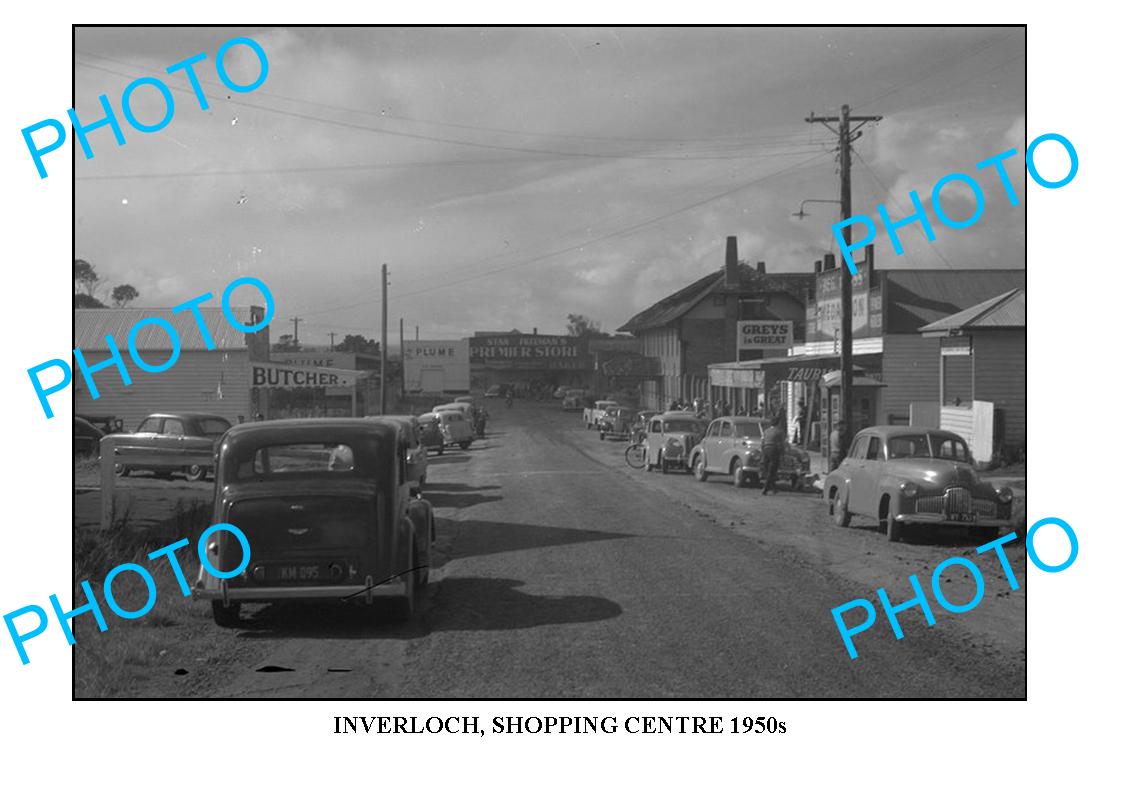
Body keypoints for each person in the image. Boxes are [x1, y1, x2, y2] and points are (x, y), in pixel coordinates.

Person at [761, 415, 786, 495]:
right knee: (772, 471)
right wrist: (782, 454)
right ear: (778, 423)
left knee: (768, 470)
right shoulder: (779, 432)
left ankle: (774, 488)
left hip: (766, 450)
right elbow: (781, 444)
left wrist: (763, 452)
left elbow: (762, 443)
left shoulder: (766, 431)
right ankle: (766, 488)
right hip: (774, 451)